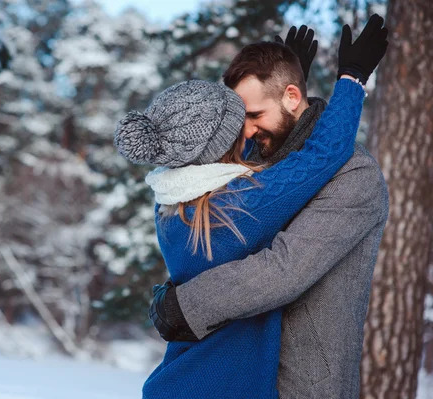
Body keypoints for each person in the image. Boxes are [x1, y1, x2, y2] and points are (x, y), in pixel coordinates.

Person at [114, 15, 387, 399]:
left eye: (254, 116)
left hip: (298, 385)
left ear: (292, 96)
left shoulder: (353, 175)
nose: (246, 133)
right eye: (240, 122)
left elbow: (283, 269)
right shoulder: (234, 196)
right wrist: (351, 79)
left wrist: (184, 304)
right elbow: (311, 158)